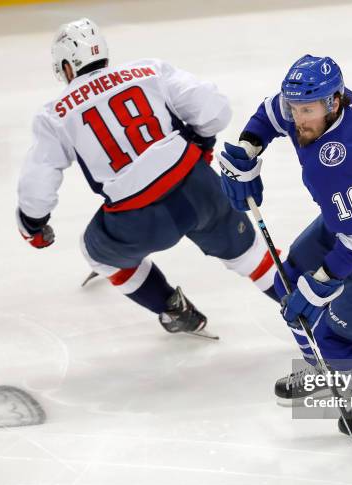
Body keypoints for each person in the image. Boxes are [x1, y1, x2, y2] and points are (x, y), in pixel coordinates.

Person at [219, 55, 352, 436]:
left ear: (334, 102)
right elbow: (271, 113)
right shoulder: (324, 105)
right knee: (290, 282)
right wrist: (249, 151)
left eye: (308, 109)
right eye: (296, 107)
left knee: (337, 337)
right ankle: (325, 365)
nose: (298, 118)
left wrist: (322, 282)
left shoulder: (339, 163)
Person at [17, 18, 280, 338]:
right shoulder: (149, 70)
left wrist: (32, 224)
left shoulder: (54, 114)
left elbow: (38, 180)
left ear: (68, 68)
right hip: (199, 189)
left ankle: (171, 307)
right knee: (253, 258)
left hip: (139, 218)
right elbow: (215, 110)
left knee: (98, 255)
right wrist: (201, 145)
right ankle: (319, 314)